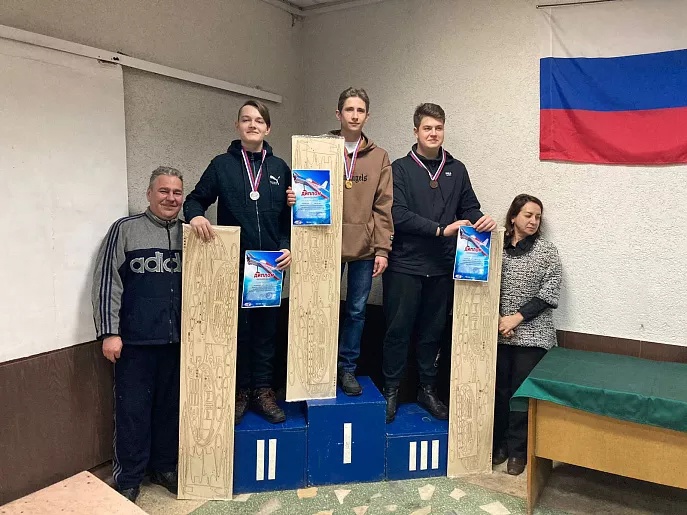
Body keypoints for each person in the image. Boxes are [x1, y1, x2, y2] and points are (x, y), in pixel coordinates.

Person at [382, 103, 496, 423]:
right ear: (416, 131)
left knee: (433, 332)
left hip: (443, 266)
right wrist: (440, 229)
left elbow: (469, 207)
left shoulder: (456, 169)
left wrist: (481, 219)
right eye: (427, 128)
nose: (433, 133)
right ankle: (391, 390)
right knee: (397, 331)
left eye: (438, 128)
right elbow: (397, 214)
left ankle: (427, 390)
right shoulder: (400, 168)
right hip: (405, 265)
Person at [184, 100, 292, 426]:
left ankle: (263, 389)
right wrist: (196, 216)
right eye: (246, 120)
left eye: (259, 120)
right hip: (234, 264)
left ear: (268, 128)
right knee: (240, 330)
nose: (252, 125)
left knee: (266, 332)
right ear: (238, 126)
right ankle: (241, 390)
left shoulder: (280, 168)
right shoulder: (221, 165)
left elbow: (288, 219)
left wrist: (287, 246)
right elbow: (194, 199)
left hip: (269, 266)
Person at [92, 166, 184, 502]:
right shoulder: (125, 230)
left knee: (169, 410)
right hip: (134, 343)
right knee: (132, 412)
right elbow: (107, 282)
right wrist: (109, 332)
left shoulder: (190, 234)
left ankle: (163, 467)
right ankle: (129, 477)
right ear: (149, 194)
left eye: (177, 192)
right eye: (163, 191)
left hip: (177, 343)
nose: (170, 198)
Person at [492, 194, 562, 476]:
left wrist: (516, 318)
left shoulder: (546, 251)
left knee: (520, 393)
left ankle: (518, 451)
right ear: (513, 217)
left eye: (538, 217)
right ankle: (499, 445)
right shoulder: (495, 247)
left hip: (533, 334)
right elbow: (483, 282)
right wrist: (499, 320)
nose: (533, 221)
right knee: (499, 391)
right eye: (528, 215)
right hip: (498, 331)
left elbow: (550, 291)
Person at [330, 87, 393, 395]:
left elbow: (383, 205)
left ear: (367, 116)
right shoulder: (321, 149)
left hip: (364, 248)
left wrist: (382, 249)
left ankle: (347, 368)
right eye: (349, 109)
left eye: (360, 111)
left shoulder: (379, 156)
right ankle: (319, 365)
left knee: (356, 311)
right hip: (325, 246)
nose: (354, 116)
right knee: (323, 306)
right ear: (338, 114)